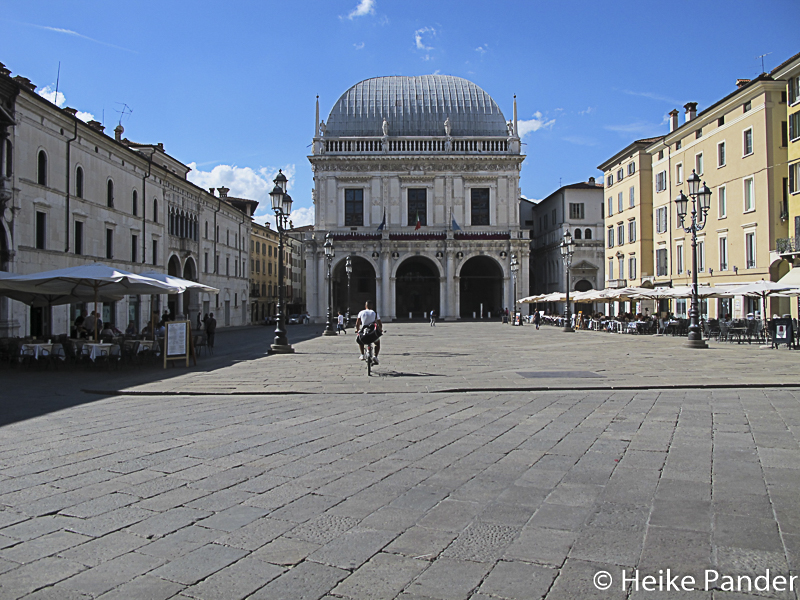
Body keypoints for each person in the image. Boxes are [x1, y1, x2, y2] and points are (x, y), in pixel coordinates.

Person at [355, 301, 382, 365]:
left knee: (360, 340)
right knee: (377, 343)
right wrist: (380, 329)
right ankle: (375, 356)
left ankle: (362, 354)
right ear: (372, 307)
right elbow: (379, 323)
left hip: (364, 331)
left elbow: (357, 322)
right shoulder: (375, 313)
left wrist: (357, 329)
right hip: (373, 333)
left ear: (365, 306)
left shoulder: (361, 312)